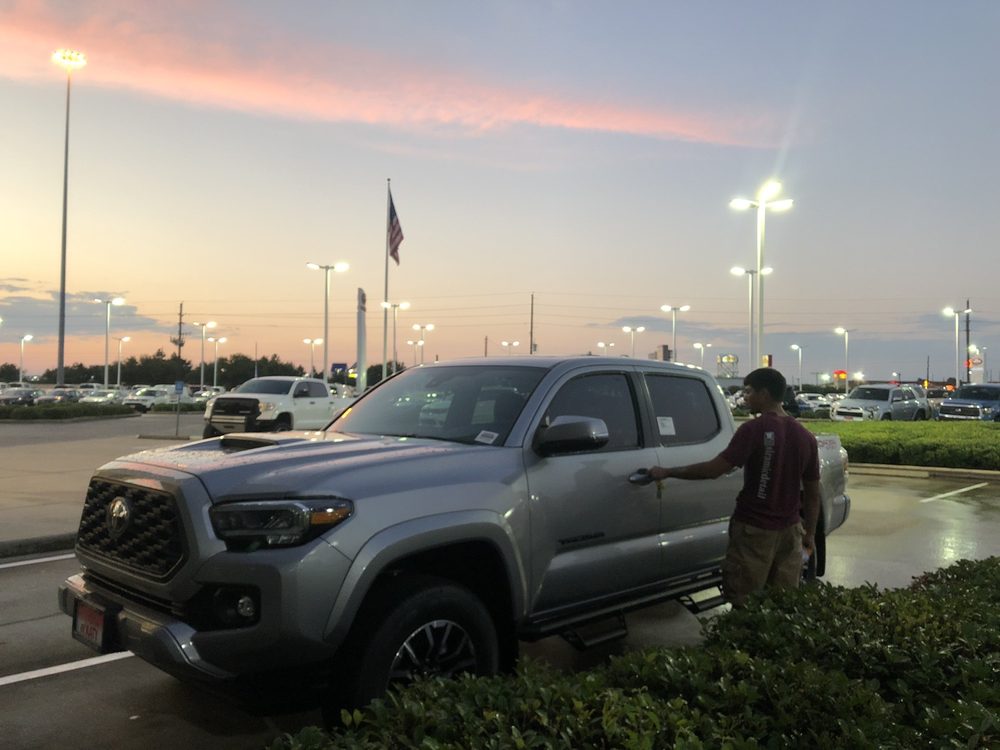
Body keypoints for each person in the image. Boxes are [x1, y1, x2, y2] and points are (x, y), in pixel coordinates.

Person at [648, 367, 820, 606]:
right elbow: (813, 493)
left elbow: (714, 470)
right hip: (790, 534)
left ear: (764, 394)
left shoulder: (754, 429)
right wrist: (809, 534)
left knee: (745, 603)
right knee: (782, 605)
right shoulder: (805, 436)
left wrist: (668, 472)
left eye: (749, 391)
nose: (745, 397)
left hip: (754, 531)